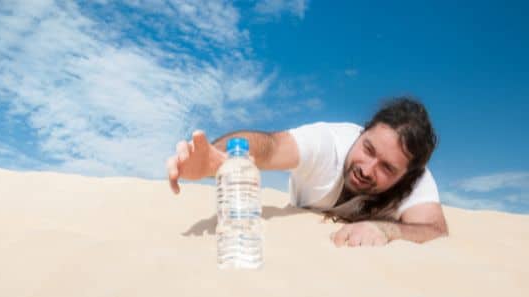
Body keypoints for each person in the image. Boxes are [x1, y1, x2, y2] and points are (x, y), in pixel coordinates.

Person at [166, 97, 448, 247]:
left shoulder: (415, 180)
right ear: (361, 133)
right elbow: (270, 146)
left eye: (387, 167)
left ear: (406, 176)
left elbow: (434, 229)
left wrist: (385, 230)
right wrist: (217, 157)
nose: (367, 168)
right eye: (368, 149)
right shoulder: (328, 143)